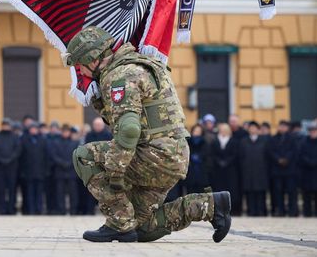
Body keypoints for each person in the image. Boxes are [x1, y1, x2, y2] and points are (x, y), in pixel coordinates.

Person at [64, 27, 230, 243]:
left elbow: (129, 128)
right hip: (172, 157)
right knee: (142, 228)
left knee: (83, 156)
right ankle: (209, 205)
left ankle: (118, 224)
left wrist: (115, 170)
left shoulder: (119, 75)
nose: (79, 71)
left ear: (92, 59)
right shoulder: (141, 64)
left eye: (79, 65)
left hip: (155, 157)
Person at [0, 118, 22, 215]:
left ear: (10, 126)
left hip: (12, 167)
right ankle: (2, 209)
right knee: (1, 189)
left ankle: (11, 209)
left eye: (7, 124)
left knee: (12, 189)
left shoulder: (15, 137)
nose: (5, 126)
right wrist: (1, 159)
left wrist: (9, 159)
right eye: (4, 124)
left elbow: (18, 150)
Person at [267, 120, 298, 217]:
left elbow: (294, 151)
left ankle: (292, 211)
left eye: (285, 126)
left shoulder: (292, 138)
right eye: (281, 126)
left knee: (291, 192)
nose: (282, 128)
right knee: (278, 191)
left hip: (290, 170)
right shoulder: (273, 139)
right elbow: (270, 151)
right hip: (277, 170)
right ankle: (280, 210)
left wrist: (286, 159)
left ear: (288, 128)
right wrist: (278, 160)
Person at [209, 124, 240, 215]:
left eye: (224, 129)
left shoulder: (233, 141)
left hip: (230, 169)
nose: (222, 131)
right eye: (221, 129)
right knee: (219, 189)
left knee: (231, 189)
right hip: (218, 170)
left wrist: (227, 162)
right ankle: (220, 209)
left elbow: (235, 154)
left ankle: (231, 209)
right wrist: (219, 162)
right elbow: (213, 154)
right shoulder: (215, 141)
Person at [239, 121, 268, 216]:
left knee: (260, 193)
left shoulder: (264, 141)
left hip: (261, 171)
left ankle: (261, 211)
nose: (252, 129)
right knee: (249, 193)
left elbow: (267, 156)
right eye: (250, 128)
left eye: (254, 128)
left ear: (258, 129)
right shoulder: (244, 141)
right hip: (248, 172)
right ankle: (251, 211)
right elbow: (241, 157)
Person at [49, 124, 80, 215]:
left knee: (73, 192)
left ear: (69, 132)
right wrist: (62, 163)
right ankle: (61, 210)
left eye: (67, 132)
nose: (65, 133)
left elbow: (77, 155)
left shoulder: (75, 143)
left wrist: (70, 163)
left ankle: (73, 210)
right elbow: (54, 155)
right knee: (60, 192)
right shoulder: (56, 142)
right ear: (61, 132)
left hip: (71, 171)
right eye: (64, 131)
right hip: (60, 170)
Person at [20, 123, 48, 215]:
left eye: (35, 129)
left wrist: (45, 170)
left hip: (40, 171)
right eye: (32, 129)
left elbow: (46, 156)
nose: (34, 130)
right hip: (29, 172)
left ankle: (39, 209)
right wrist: (23, 171)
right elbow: (22, 157)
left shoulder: (42, 140)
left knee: (39, 193)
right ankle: (31, 210)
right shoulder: (24, 140)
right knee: (30, 192)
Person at [185, 124, 211, 194]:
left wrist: (200, 158)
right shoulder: (188, 142)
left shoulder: (205, 143)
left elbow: (208, 157)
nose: (197, 132)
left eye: (198, 131)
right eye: (195, 130)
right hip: (190, 173)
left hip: (201, 173)